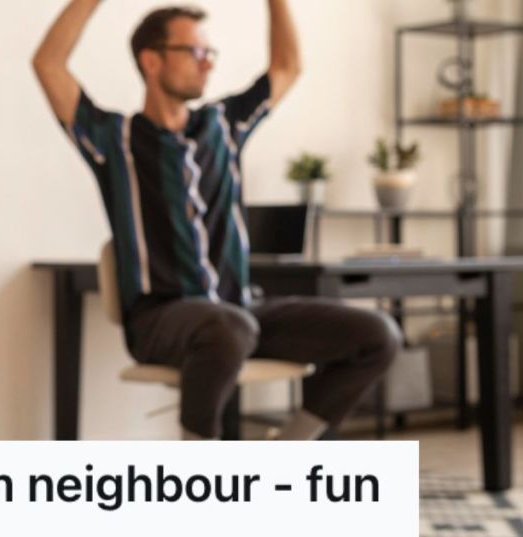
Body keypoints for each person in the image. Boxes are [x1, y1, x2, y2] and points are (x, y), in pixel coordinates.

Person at [32, 1, 401, 440]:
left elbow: (287, 66)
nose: (207, 63)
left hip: (238, 310)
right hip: (160, 320)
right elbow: (48, 63)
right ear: (152, 60)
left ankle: (286, 454)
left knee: (377, 334)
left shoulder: (224, 124)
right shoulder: (114, 139)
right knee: (228, 327)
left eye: (210, 53)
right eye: (194, 52)